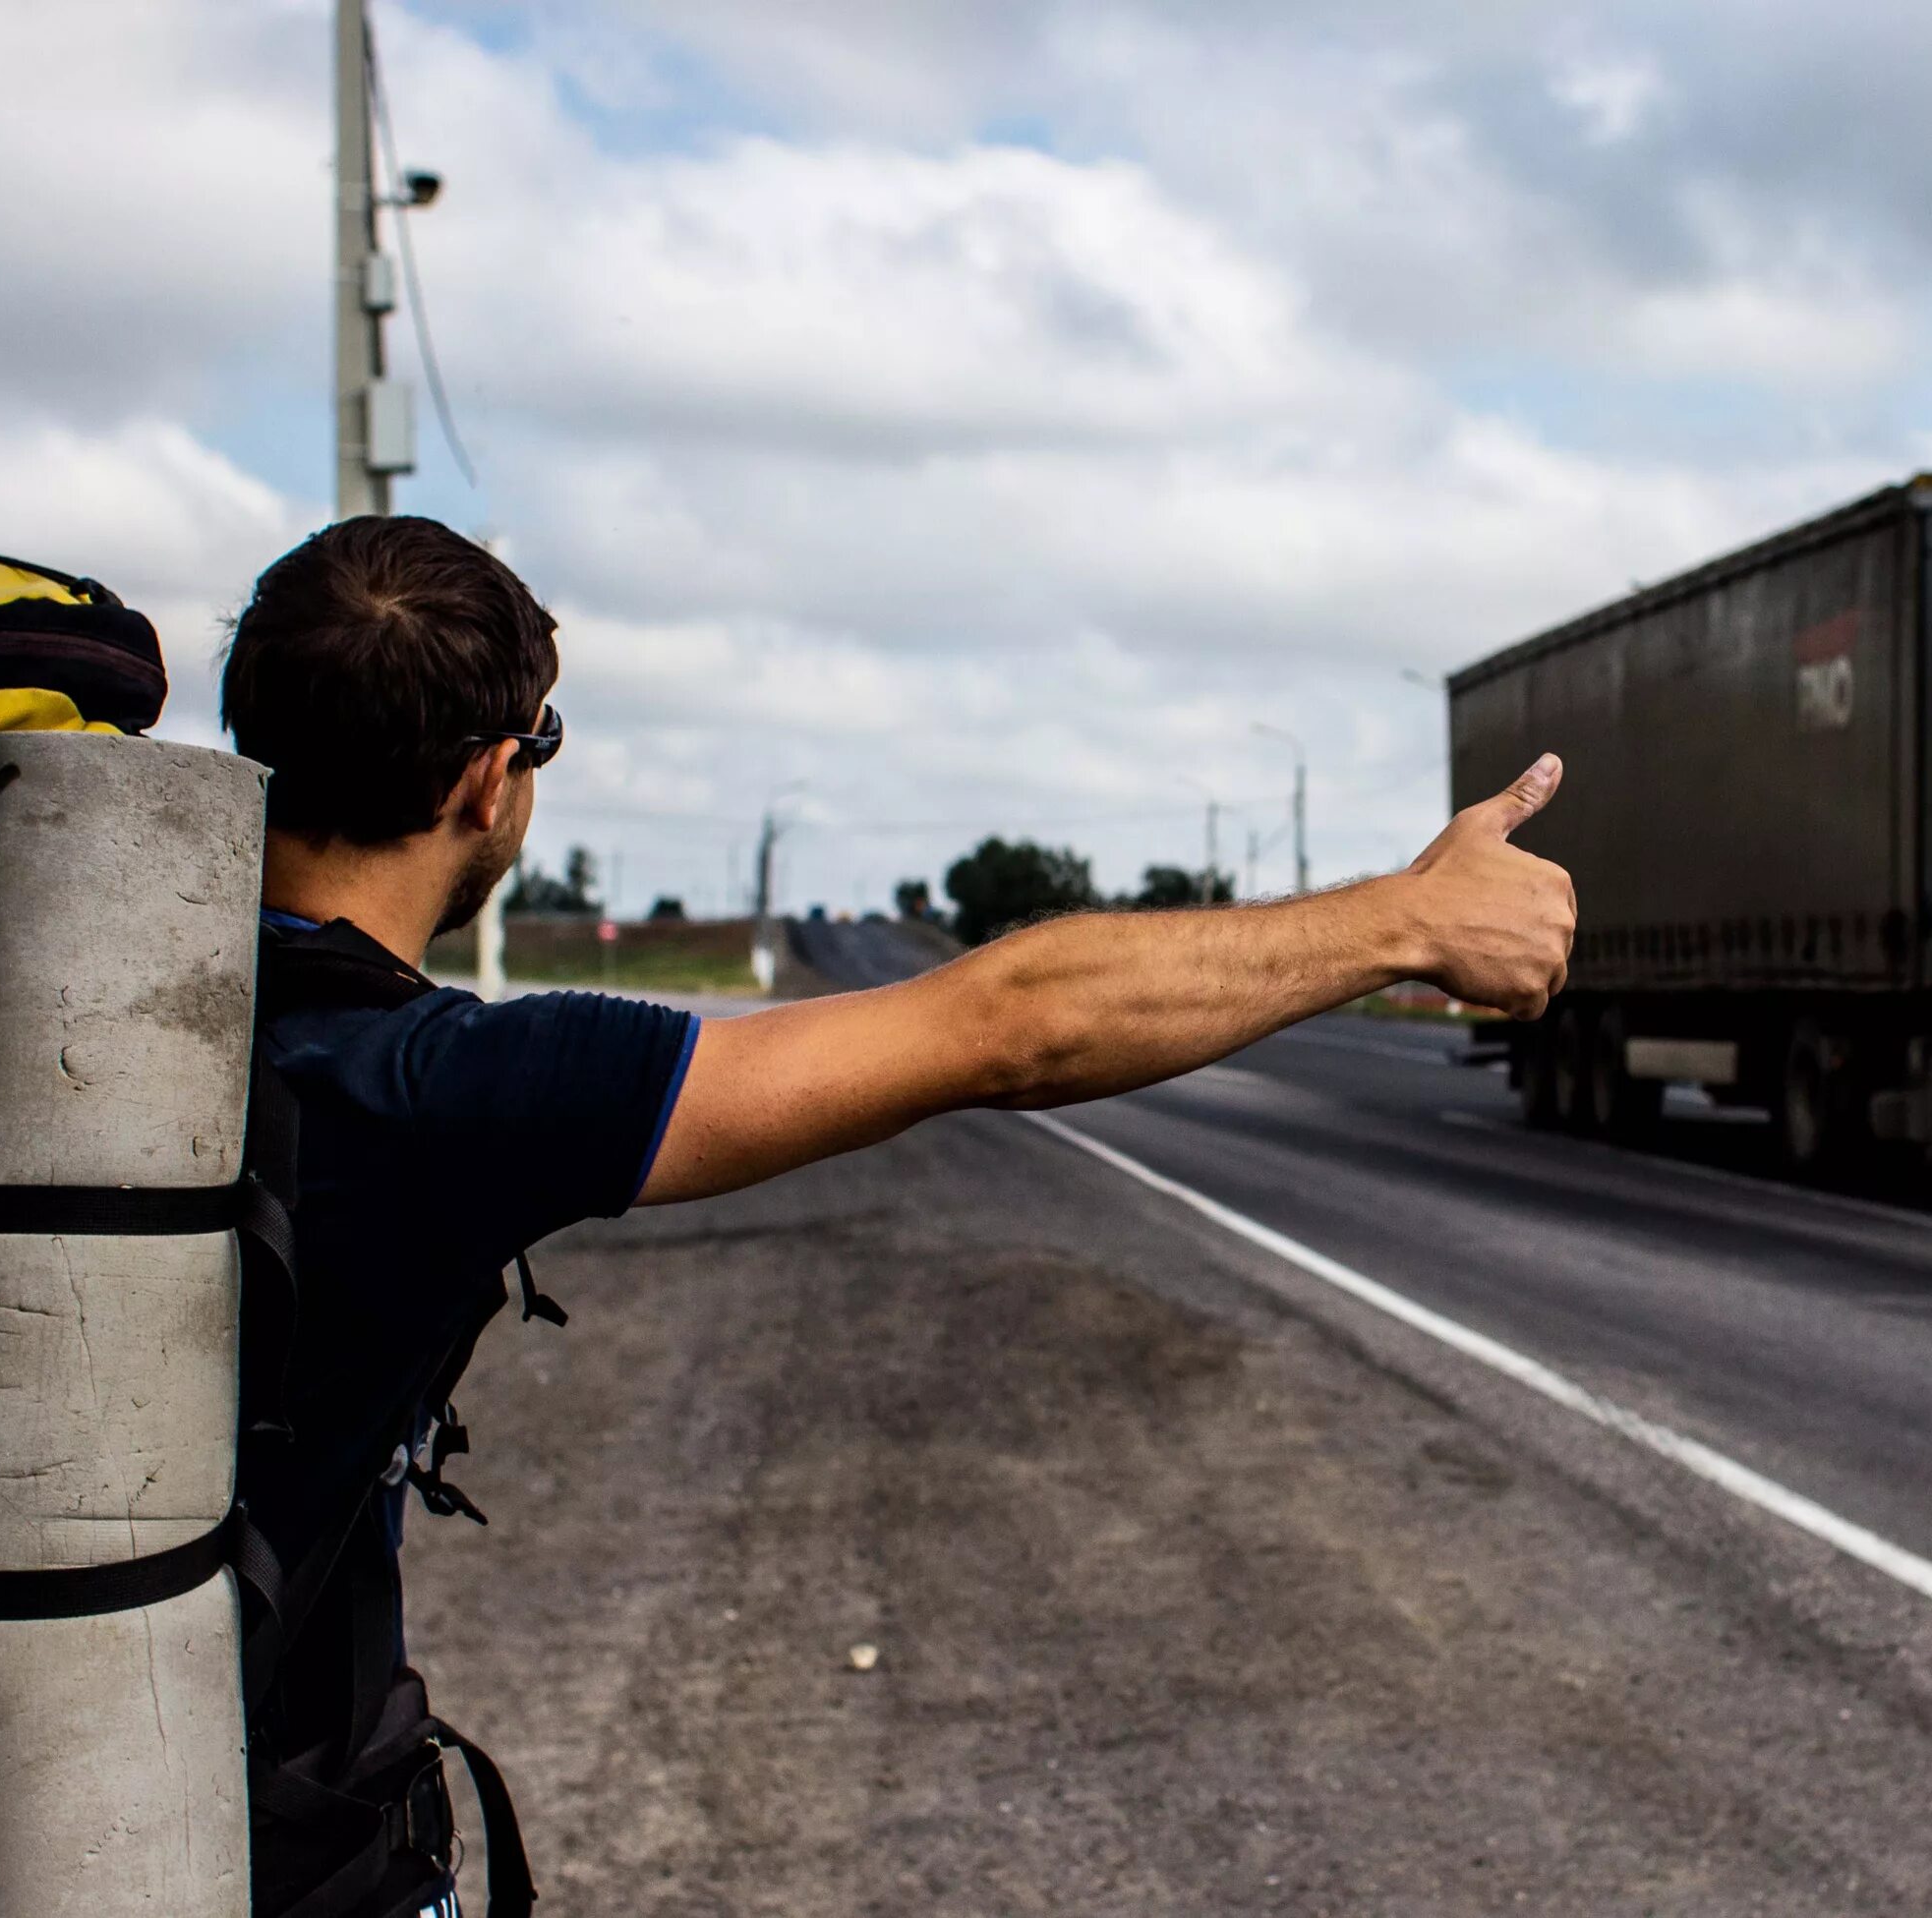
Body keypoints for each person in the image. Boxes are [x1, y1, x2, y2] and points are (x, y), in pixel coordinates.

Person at [218, 513, 1573, 1917]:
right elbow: (1009, 1026)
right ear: (492, 782)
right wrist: (1408, 920)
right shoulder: (446, 1091)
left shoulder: (85, 1026)